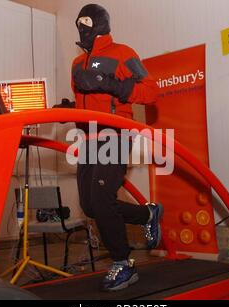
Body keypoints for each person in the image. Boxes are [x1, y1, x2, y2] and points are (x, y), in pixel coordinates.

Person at [71, 3, 164, 292]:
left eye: (87, 23)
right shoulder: (77, 63)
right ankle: (147, 214)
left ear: (99, 24)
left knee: (101, 199)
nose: (82, 29)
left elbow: (151, 91)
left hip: (114, 135)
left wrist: (112, 84)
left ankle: (123, 264)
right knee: (90, 205)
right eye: (79, 25)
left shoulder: (123, 53)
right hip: (87, 139)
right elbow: (85, 101)